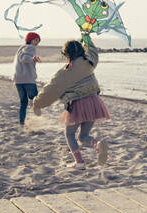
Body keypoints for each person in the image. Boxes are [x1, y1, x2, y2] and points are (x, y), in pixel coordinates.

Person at [32, 38, 110, 169]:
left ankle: (79, 162)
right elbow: (93, 52)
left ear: (66, 54)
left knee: (69, 134)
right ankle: (96, 144)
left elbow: (50, 90)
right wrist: (86, 38)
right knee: (84, 136)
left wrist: (37, 103)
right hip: (93, 102)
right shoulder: (89, 62)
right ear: (81, 50)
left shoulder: (64, 72)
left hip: (77, 104)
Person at [13, 31, 42, 129]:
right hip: (28, 79)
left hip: (18, 79)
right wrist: (33, 59)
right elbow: (24, 58)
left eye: (38, 41)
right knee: (36, 98)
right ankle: (33, 103)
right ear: (30, 40)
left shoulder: (20, 48)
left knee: (23, 102)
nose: (37, 43)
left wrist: (32, 58)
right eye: (36, 40)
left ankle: (21, 123)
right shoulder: (31, 47)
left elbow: (22, 57)